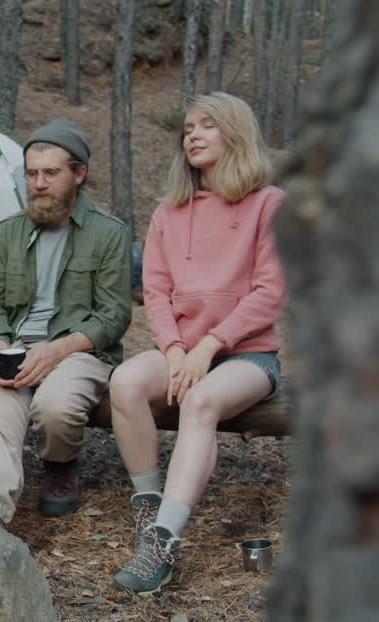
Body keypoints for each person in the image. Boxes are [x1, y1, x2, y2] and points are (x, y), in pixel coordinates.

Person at [109, 93, 286, 593]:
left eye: (207, 125)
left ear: (235, 134)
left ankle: (165, 542)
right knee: (124, 381)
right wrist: (172, 348)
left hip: (248, 355)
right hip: (183, 350)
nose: (193, 135)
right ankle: (148, 512)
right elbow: (157, 290)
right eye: (188, 128)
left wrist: (208, 345)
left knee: (201, 399)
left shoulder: (269, 205)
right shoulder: (170, 211)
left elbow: (270, 293)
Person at [0, 119, 133, 527]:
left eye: (51, 173)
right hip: (17, 347)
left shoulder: (109, 234)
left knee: (54, 408)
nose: (38, 183)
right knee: (0, 411)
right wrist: (2, 349)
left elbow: (113, 315)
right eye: (32, 173)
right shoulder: (7, 233)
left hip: (78, 349)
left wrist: (56, 350)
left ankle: (60, 462)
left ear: (79, 174)